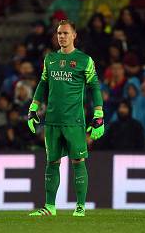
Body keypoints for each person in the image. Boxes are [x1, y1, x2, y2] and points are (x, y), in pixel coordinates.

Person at [26, 20, 104, 217]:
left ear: (74, 35)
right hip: (52, 120)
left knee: (78, 161)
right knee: (52, 162)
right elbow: (43, 84)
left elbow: (94, 87)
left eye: (66, 33)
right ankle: (50, 207)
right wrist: (33, 108)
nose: (62, 36)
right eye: (59, 33)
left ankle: (80, 206)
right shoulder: (50, 59)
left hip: (74, 121)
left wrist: (99, 114)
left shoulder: (84, 60)